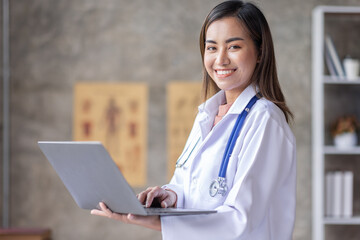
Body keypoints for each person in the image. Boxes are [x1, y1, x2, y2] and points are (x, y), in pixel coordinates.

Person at [91, 1, 296, 239]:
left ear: (260, 53)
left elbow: (239, 219)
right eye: (211, 48)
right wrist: (171, 196)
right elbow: (193, 186)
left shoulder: (265, 120)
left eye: (234, 47)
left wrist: (154, 221)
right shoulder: (208, 114)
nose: (220, 60)